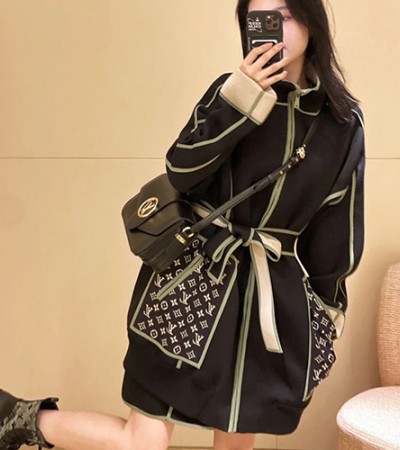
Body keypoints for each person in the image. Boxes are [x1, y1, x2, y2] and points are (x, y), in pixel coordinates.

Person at [0, 0, 365, 449]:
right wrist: (242, 101)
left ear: (312, 21)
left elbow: (338, 226)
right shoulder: (229, 93)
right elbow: (182, 170)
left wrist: (327, 310)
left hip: (267, 298)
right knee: (142, 440)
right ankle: (20, 417)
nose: (274, 29)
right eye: (260, 19)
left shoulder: (342, 122)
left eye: (285, 16)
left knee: (235, 442)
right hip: (194, 280)